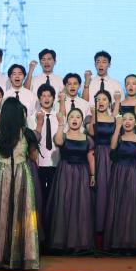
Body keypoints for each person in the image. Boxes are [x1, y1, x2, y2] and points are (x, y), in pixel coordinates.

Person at [0, 97, 41, 270]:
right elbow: (33, 157)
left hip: (1, 175)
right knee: (22, 215)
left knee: (0, 215)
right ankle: (22, 257)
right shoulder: (27, 133)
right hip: (21, 174)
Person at [46, 107, 96, 253]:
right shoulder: (63, 135)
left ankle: (78, 243)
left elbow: (91, 158)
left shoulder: (88, 139)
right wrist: (61, 123)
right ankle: (62, 243)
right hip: (65, 172)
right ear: (68, 120)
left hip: (82, 173)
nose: (75, 119)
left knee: (81, 206)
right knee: (64, 204)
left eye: (78, 117)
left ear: (82, 121)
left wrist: (93, 175)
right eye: (72, 117)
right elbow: (58, 142)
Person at [103, 112, 136, 253]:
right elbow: (112, 147)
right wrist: (117, 127)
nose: (127, 122)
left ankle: (132, 243)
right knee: (119, 206)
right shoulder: (118, 137)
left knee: (133, 207)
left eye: (130, 119)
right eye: (125, 119)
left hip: (134, 173)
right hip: (119, 173)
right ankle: (119, 243)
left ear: (135, 122)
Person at [87, 90, 116, 236]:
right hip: (96, 154)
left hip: (111, 156)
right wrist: (94, 116)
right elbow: (91, 133)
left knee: (110, 189)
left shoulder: (114, 119)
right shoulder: (89, 117)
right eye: (98, 99)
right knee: (97, 190)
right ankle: (96, 229)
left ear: (109, 102)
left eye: (104, 99)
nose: (101, 102)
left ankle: (109, 228)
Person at [33, 84, 60, 202]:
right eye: (43, 96)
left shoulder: (59, 118)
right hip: (40, 162)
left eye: (49, 96)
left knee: (53, 197)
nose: (46, 98)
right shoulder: (32, 118)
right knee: (40, 196)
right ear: (39, 99)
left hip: (56, 162)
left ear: (53, 99)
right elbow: (32, 141)